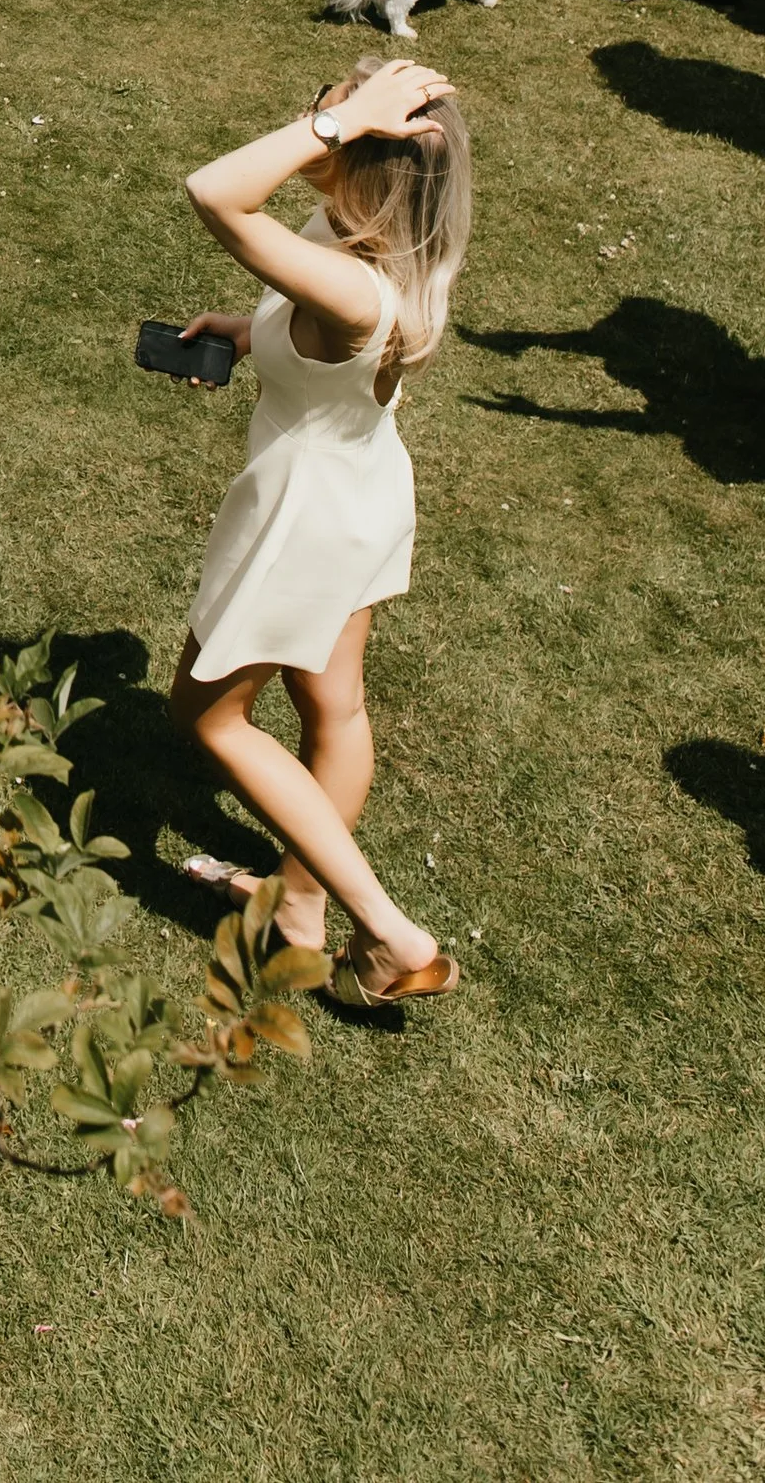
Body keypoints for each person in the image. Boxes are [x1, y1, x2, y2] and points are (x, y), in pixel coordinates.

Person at [167, 57, 470, 1005]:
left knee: (206, 712)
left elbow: (214, 193)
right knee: (333, 709)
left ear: (361, 163)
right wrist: (249, 329)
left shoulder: (354, 292)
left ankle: (391, 935)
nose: (315, 116)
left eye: (331, 116)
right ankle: (301, 909)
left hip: (302, 516)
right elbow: (303, 296)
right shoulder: (378, 249)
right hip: (363, 491)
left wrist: (343, 127)